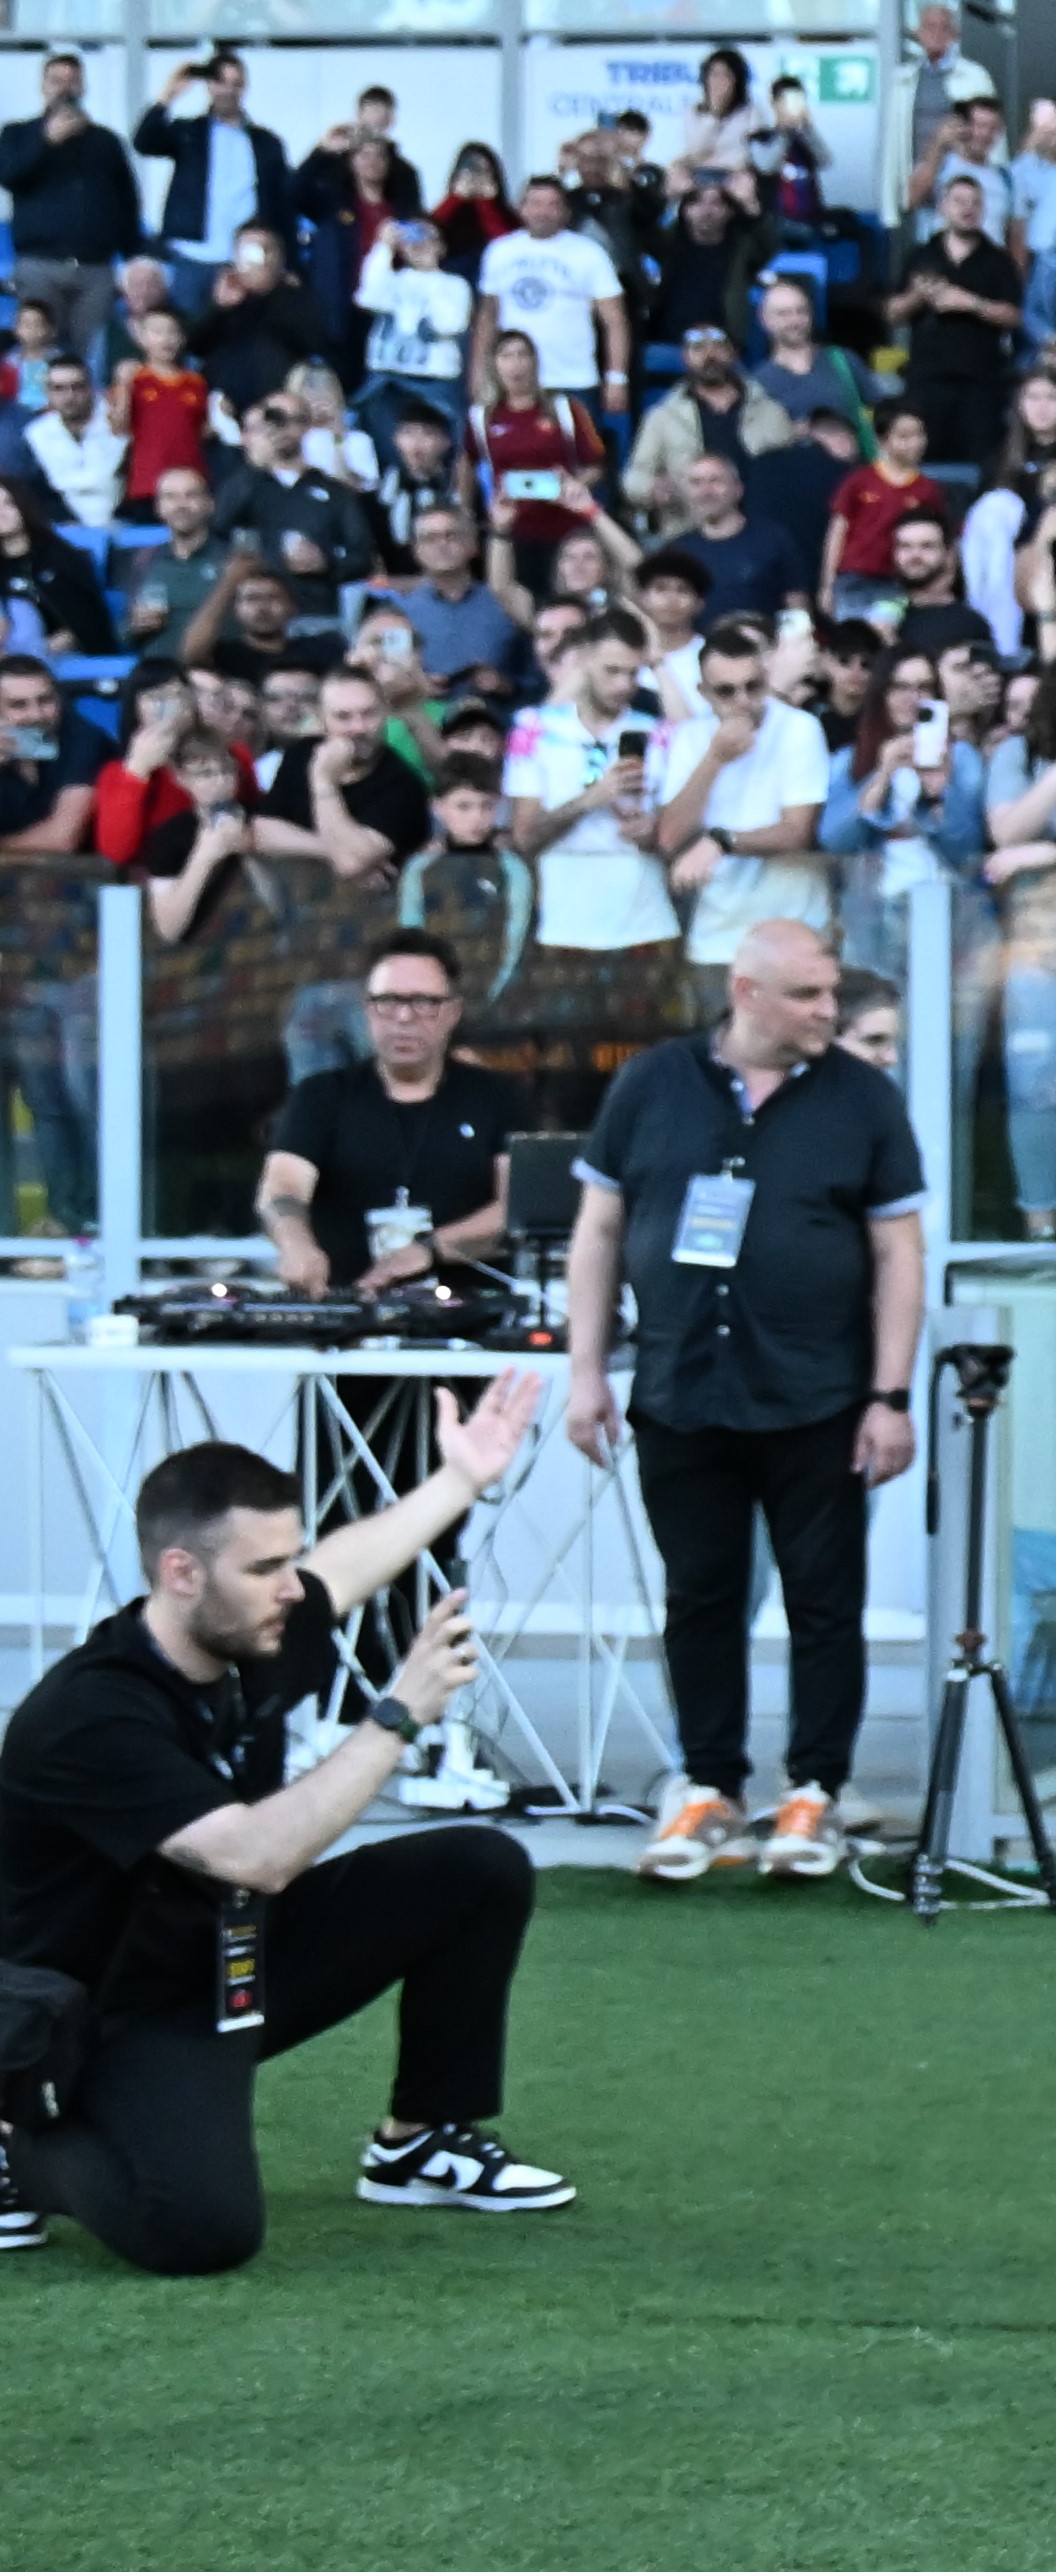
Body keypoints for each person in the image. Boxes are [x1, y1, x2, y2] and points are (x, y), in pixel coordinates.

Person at [0, 1390, 560, 2271]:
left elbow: (348, 1561)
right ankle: (18, 2150)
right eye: (265, 1568)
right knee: (200, 2233)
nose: (290, 1587)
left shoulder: (243, 1636)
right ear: (182, 1572)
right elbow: (255, 1858)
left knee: (475, 1866)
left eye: (287, 1559)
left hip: (228, 1962)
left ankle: (417, 2142)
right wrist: (394, 1720)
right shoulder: (89, 1717)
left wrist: (459, 1478)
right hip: (106, 2018)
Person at [562, 915, 927, 1887]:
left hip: (820, 1396)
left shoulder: (863, 1097)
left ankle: (814, 1791)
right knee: (701, 1598)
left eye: (831, 993)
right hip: (681, 1387)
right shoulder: (650, 1083)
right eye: (809, 993)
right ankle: (709, 1785)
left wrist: (891, 1394)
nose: (828, 1010)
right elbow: (599, 1229)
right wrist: (586, 1369)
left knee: (823, 1599)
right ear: (747, 991)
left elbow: (900, 1251)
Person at [256, 945, 520, 1289]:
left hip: (473, 1320)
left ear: (452, 1012)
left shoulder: (497, 1097)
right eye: (388, 1002)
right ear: (367, 1010)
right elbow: (282, 1188)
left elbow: (516, 1207)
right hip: (345, 1313)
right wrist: (295, 1244)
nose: (404, 1017)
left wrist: (428, 1249)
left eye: (424, 1003)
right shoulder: (320, 1096)